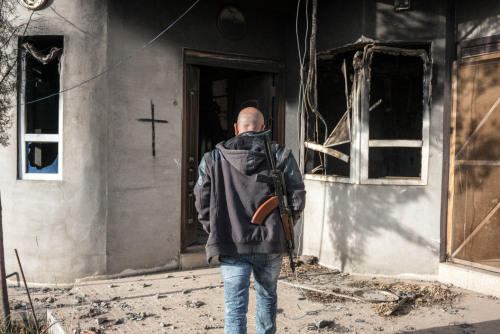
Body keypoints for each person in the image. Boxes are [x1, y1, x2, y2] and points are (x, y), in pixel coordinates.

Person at [194, 107, 306, 334]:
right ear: (263, 128)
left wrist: (215, 230)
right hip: (270, 244)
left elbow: (201, 203)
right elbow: (298, 197)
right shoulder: (281, 156)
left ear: (236, 129)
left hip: (230, 244)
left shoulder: (212, 159)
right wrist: (284, 226)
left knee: (234, 308)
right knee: (267, 298)